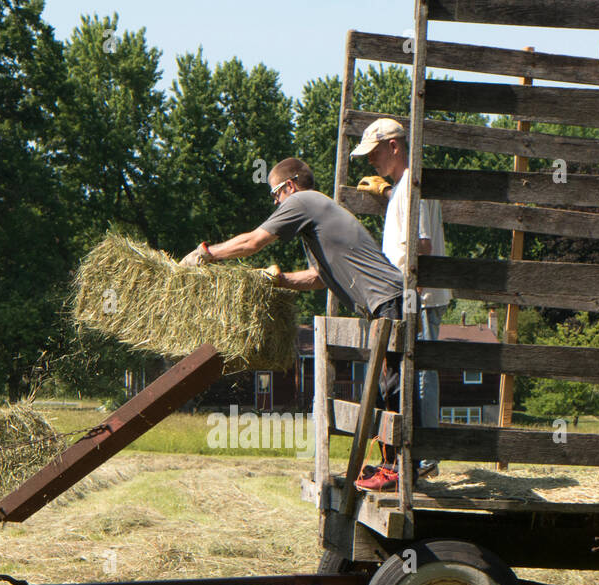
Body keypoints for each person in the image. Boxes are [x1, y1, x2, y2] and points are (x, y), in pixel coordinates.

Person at [179, 156, 420, 491]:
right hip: (384, 303)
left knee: (393, 387)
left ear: (289, 186)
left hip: (390, 300)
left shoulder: (304, 202)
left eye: (276, 195)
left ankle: (401, 470)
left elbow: (253, 242)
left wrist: (207, 252)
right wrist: (281, 282)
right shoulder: (316, 218)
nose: (276, 203)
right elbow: (320, 278)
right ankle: (391, 466)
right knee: (383, 386)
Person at [353, 117, 452, 478]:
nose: (370, 161)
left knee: (420, 369)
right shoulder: (405, 187)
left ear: (394, 146)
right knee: (414, 368)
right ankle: (416, 455)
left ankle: (425, 457)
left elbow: (420, 245)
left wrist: (411, 296)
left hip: (418, 293)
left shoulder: (412, 185)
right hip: (414, 292)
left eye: (375, 152)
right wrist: (388, 196)